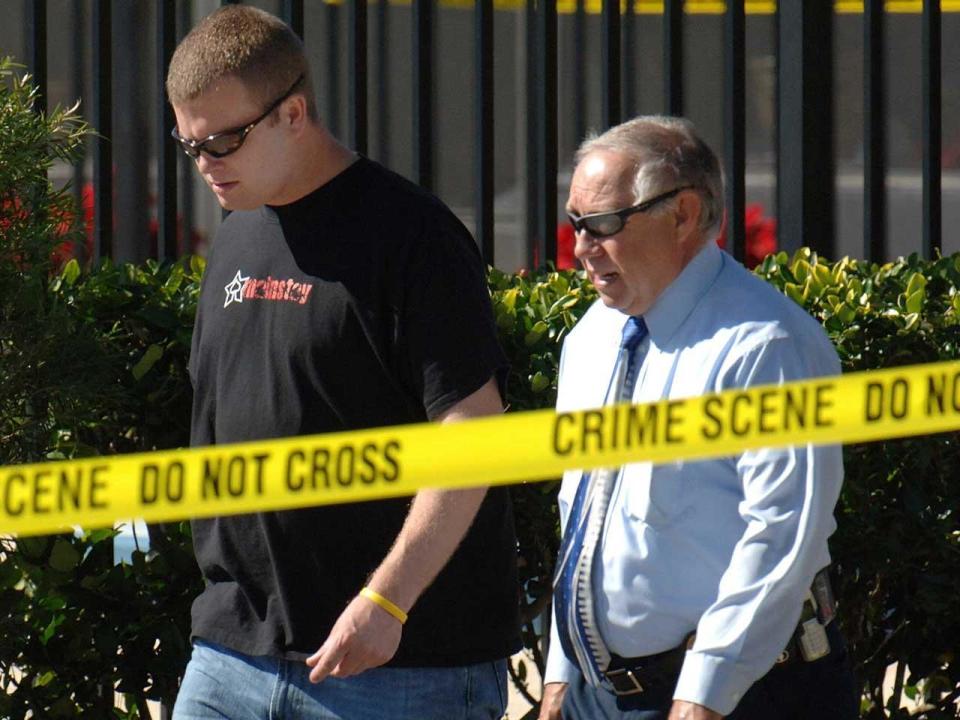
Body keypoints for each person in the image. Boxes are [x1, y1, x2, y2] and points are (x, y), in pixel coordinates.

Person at [165, 6, 519, 719]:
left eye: (224, 141)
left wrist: (387, 599)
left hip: (394, 666)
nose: (207, 165)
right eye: (190, 145)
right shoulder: (236, 236)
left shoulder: (412, 236)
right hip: (233, 652)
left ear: (294, 112)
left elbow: (475, 433)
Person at [539, 117, 858, 720]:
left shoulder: (767, 345)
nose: (581, 247)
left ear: (684, 215)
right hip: (602, 695)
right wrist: (563, 669)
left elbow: (782, 536)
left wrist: (704, 693)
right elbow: (580, 510)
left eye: (603, 224)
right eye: (576, 223)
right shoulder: (590, 338)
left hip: (746, 698)